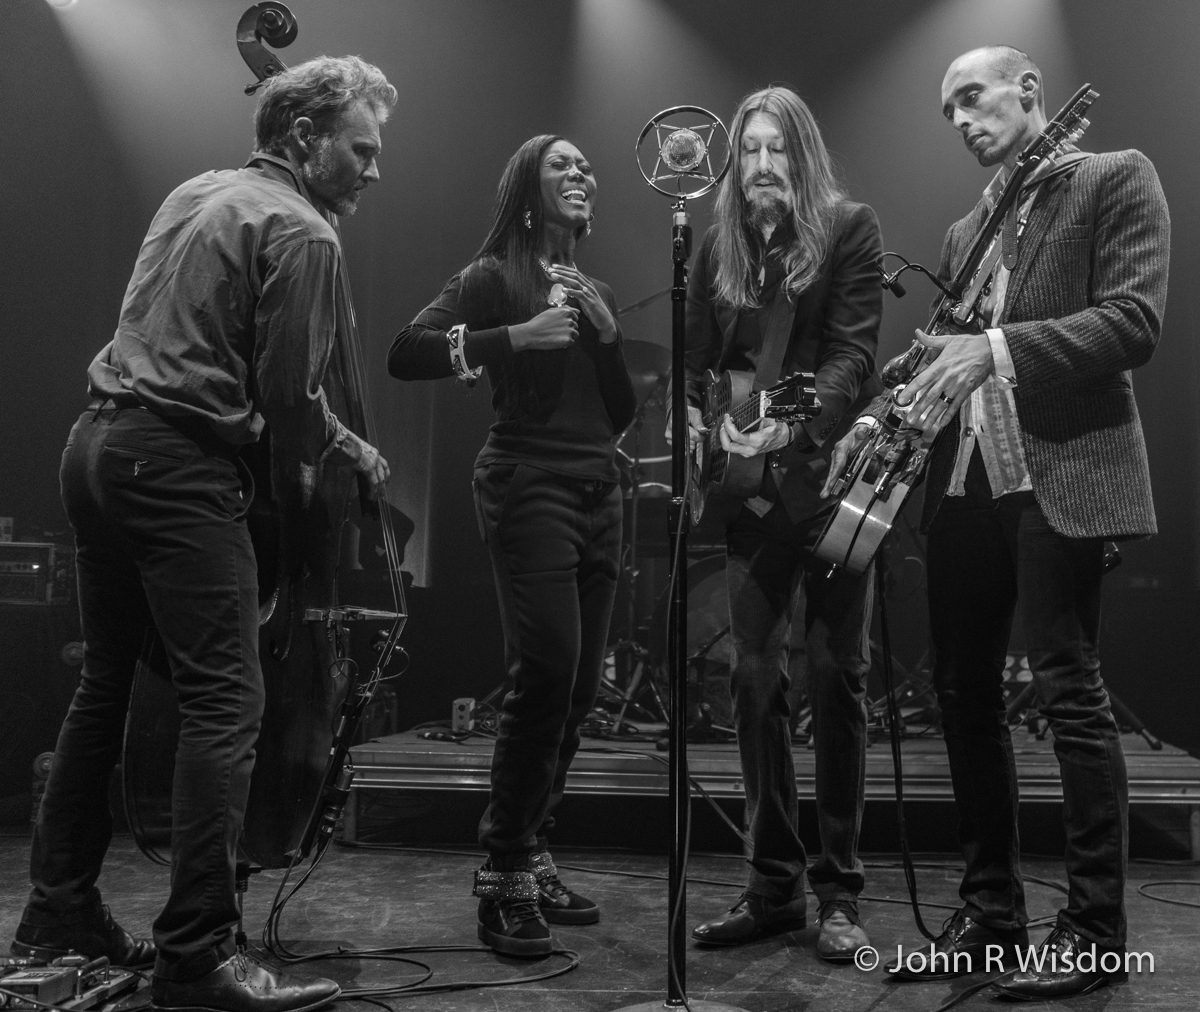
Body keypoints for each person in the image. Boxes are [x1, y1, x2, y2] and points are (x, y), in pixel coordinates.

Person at [10, 56, 397, 1012]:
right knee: (227, 702)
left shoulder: (195, 190)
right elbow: (286, 407)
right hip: (176, 466)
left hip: (95, 448)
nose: (374, 170)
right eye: (362, 148)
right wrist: (345, 449)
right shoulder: (306, 232)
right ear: (305, 136)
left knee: (104, 683)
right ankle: (196, 954)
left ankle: (57, 912)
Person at [826, 46, 1169, 1000]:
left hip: (1060, 469)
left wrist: (998, 349)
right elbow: (941, 352)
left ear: (1029, 91)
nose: (962, 120)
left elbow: (1134, 321)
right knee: (964, 697)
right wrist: (872, 414)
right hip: (966, 482)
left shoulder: (1113, 178)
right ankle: (990, 920)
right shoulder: (967, 228)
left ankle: (1096, 930)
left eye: (972, 98)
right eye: (947, 112)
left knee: (1069, 691)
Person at [388, 135, 636, 957]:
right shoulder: (492, 276)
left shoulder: (594, 289)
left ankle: (531, 848)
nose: (581, 174)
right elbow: (407, 351)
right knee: (547, 672)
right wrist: (513, 338)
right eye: (561, 164)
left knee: (578, 695)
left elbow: (622, 412)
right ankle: (501, 876)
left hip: (604, 490)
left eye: (586, 167)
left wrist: (603, 335)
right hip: (529, 483)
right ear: (529, 188)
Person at [680, 86, 883, 962]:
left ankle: (837, 892)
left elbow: (852, 355)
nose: (761, 167)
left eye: (777, 151)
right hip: (749, 497)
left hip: (833, 484)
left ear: (801, 156)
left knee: (836, 681)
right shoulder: (715, 244)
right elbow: (696, 364)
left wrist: (785, 419)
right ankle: (772, 885)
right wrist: (698, 422)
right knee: (754, 684)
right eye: (750, 152)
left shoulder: (847, 229)